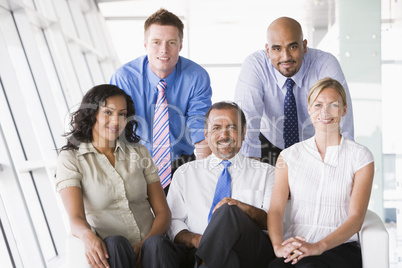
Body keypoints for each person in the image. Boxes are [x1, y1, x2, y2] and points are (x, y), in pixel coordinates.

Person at [55, 84, 182, 268]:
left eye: (122, 114)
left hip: (153, 249)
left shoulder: (139, 152)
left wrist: (145, 244)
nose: (116, 121)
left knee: (156, 244)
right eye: (108, 112)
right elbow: (76, 218)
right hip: (112, 254)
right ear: (92, 115)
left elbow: (163, 212)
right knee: (114, 243)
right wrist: (87, 236)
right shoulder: (71, 158)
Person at [267, 77, 374, 268]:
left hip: (340, 247)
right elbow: (275, 210)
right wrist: (277, 246)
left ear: (344, 110)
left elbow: (356, 218)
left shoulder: (361, 157)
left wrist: (318, 246)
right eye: (318, 105)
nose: (325, 112)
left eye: (333, 105)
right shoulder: (289, 156)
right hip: (297, 243)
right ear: (309, 109)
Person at [110, 8, 212, 194]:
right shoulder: (124, 78)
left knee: (185, 218)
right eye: (156, 42)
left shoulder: (197, 76)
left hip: (180, 162)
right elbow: (114, 126)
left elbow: (199, 123)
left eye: (171, 42)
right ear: (145, 44)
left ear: (180, 45)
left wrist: (205, 175)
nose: (164, 50)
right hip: (134, 162)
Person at [167, 101, 276, 268]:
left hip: (251, 251)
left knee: (229, 209)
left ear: (244, 133)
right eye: (216, 128)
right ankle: (208, 258)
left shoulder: (267, 173)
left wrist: (240, 207)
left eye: (232, 127)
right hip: (198, 249)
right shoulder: (185, 174)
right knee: (228, 260)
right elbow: (173, 221)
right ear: (206, 134)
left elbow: (274, 222)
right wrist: (197, 239)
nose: (224, 135)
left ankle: (205, 262)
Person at [234, 16, 354, 166]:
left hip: (314, 144)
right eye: (277, 48)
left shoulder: (325, 64)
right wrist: (250, 173)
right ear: (268, 50)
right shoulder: (255, 66)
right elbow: (247, 122)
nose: (286, 57)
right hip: (270, 144)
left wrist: (343, 166)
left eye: (293, 47)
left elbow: (342, 121)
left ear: (304, 46)